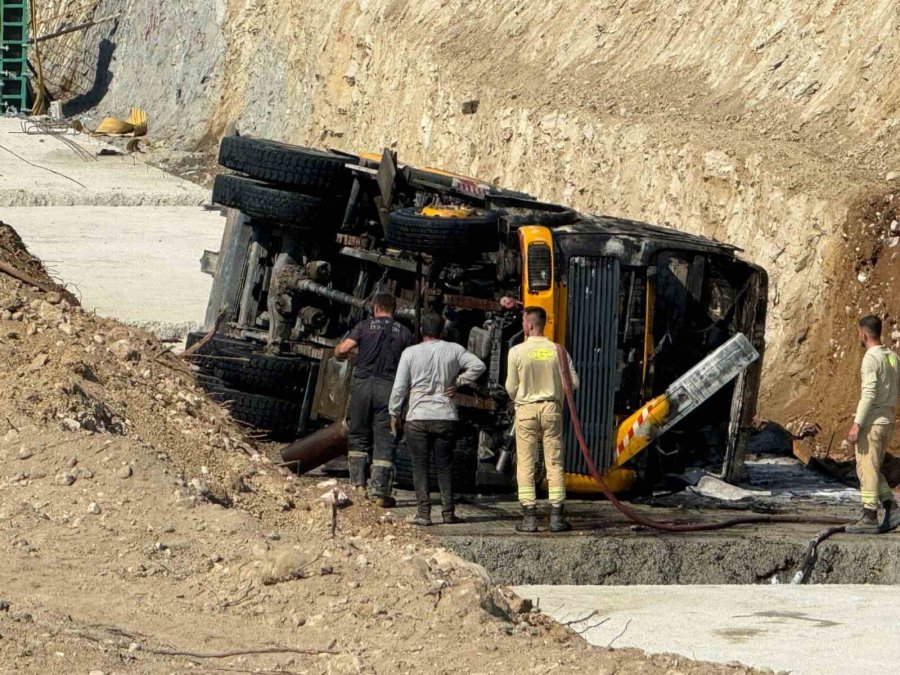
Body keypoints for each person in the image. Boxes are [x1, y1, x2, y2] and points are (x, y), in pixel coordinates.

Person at [389, 313, 485, 526]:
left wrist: (394, 413)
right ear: (442, 331)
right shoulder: (454, 350)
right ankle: (448, 513)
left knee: (420, 466)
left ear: (422, 331)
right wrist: (459, 381)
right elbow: (479, 366)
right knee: (444, 466)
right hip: (445, 417)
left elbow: (399, 387)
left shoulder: (410, 353)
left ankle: (423, 513)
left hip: (417, 417)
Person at [505, 306, 579, 533]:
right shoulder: (558, 350)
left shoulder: (516, 352)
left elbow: (510, 387)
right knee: (554, 462)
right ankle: (556, 517)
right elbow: (573, 383)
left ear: (529, 325)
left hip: (526, 410)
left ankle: (529, 518)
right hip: (551, 409)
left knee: (526, 462)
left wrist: (522, 395)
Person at [334, 292, 412, 507]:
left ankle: (358, 487)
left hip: (362, 385)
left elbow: (342, 349)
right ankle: (378, 493)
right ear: (394, 310)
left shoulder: (364, 326)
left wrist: (346, 356)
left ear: (375, 307)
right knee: (384, 438)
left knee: (358, 434)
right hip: (388, 388)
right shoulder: (405, 333)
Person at [845, 315, 900, 534]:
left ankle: (869, 516)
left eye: (859, 333)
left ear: (864, 334)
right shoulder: (893, 357)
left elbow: (868, 393)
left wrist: (857, 424)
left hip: (873, 422)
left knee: (866, 467)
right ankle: (890, 506)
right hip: (888, 420)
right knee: (874, 467)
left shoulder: (871, 358)